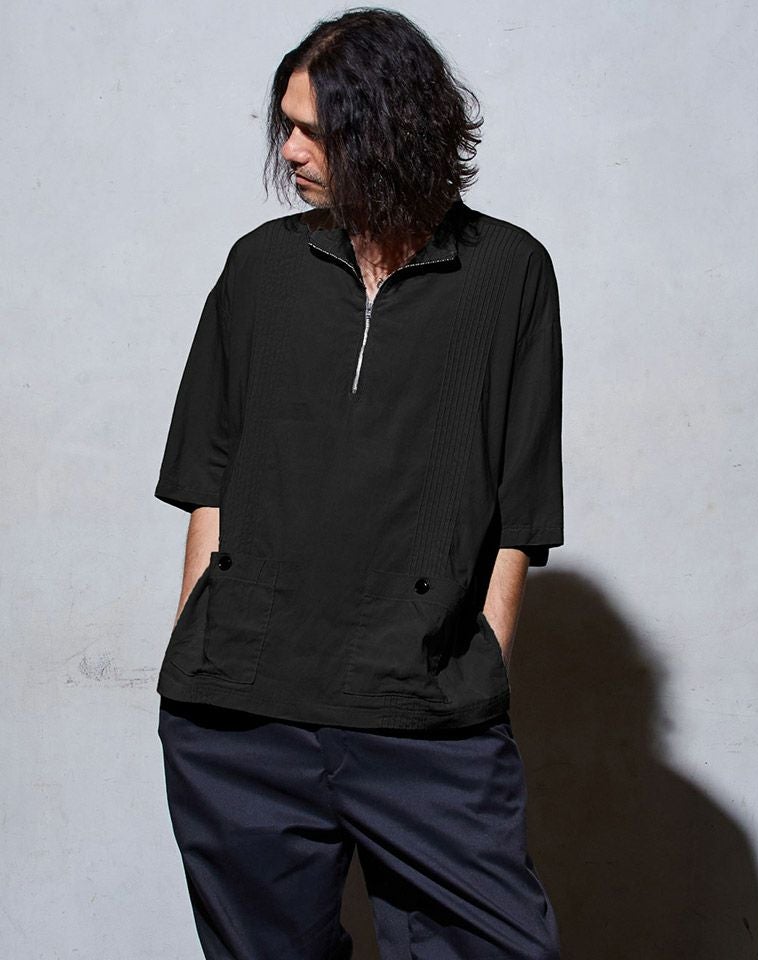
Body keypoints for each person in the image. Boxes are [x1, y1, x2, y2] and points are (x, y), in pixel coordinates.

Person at [154, 8, 564, 959]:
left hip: (424, 717)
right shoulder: (260, 267)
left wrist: (478, 673)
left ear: (391, 130)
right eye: (285, 125)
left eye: (314, 130)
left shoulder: (508, 272)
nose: (289, 150)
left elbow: (520, 506)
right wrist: (196, 643)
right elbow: (209, 474)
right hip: (239, 716)